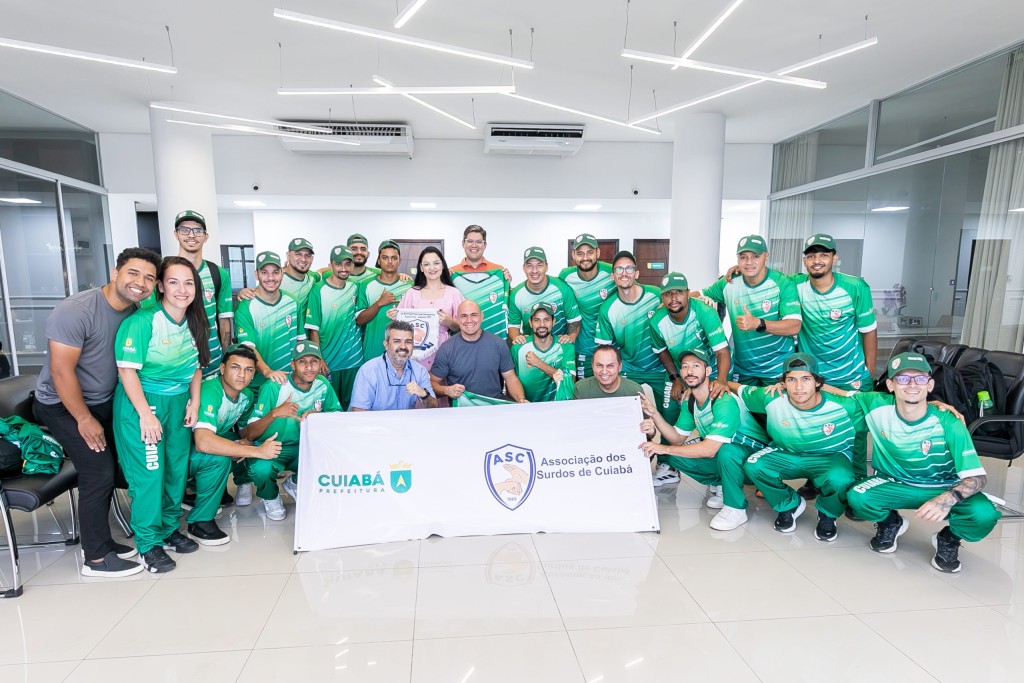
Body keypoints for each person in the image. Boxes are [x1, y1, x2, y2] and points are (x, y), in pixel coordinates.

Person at [34, 247, 160, 577]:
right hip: (62, 405)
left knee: (125, 463)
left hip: (104, 401)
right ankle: (97, 557)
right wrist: (84, 419)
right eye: (133, 273)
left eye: (149, 278)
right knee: (98, 471)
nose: (141, 282)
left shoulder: (135, 311)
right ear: (115, 273)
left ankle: (103, 539)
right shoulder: (76, 311)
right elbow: (61, 372)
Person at [846, 353, 1001, 573]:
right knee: (857, 497)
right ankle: (891, 523)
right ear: (890, 385)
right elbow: (827, 392)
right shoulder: (875, 404)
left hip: (943, 486)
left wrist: (948, 499)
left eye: (919, 379)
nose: (912, 385)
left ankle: (949, 538)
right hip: (895, 483)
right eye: (903, 379)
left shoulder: (950, 423)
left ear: (930, 385)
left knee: (984, 514)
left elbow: (977, 477)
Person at [113, 256, 210, 573]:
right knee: (150, 475)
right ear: (160, 286)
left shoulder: (194, 321)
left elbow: (196, 366)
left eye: (189, 282)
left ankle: (168, 529)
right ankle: (148, 543)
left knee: (175, 472)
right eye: (173, 282)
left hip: (178, 403)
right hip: (144, 404)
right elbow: (127, 371)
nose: (182, 289)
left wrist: (194, 402)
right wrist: (145, 414)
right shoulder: (143, 321)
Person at [732, 353, 865, 541]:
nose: (799, 387)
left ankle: (828, 514)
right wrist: (718, 382)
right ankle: (789, 504)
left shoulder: (845, 406)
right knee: (754, 465)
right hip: (785, 453)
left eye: (806, 379)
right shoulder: (771, 396)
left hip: (829, 457)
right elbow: (738, 388)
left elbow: (877, 415)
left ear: (817, 382)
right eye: (791, 380)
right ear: (783, 383)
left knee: (841, 479)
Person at [638, 349, 769, 530]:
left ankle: (736, 508)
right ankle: (723, 485)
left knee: (725, 450)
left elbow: (709, 449)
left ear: (708, 371)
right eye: (685, 367)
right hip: (724, 451)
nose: (690, 371)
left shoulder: (723, 399)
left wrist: (663, 448)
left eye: (696, 366)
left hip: (754, 459)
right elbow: (677, 438)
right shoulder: (690, 400)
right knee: (674, 455)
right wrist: (654, 414)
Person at [186, 345, 282, 545]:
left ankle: (201, 490)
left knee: (239, 442)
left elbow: (244, 432)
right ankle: (199, 521)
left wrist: (248, 441)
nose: (241, 375)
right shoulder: (210, 390)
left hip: (205, 443)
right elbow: (203, 442)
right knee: (221, 456)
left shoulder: (246, 395)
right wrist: (256, 451)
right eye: (235, 367)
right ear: (222, 368)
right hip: (182, 451)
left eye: (248, 370)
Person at [241, 341, 342, 521]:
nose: (309, 367)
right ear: (292, 365)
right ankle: (271, 497)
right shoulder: (275, 386)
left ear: (320, 364)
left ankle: (295, 482)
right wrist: (275, 413)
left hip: (305, 447)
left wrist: (319, 416)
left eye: (314, 361)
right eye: (302, 362)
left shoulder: (323, 384)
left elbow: (337, 417)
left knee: (335, 455)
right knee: (261, 469)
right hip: (274, 447)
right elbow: (250, 434)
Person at [699, 235, 802, 385]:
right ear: (737, 260)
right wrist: (694, 299)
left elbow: (794, 326)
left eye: (755, 256)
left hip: (777, 369)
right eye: (743, 257)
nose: (749, 262)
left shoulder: (783, 283)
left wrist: (758, 323)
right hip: (742, 369)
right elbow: (696, 294)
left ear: (766, 257)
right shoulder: (729, 281)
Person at [152, 210, 233, 377]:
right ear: (176, 234)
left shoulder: (218, 274)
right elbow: (151, 316)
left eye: (197, 230)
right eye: (184, 230)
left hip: (212, 364)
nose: (191, 235)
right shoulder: (161, 270)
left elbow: (224, 320)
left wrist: (226, 358)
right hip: (174, 364)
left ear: (206, 237)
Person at [793, 234, 877, 392]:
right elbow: (768, 278)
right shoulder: (794, 285)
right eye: (811, 256)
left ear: (835, 258)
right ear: (804, 261)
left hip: (852, 375)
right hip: (813, 376)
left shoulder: (856, 287)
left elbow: (869, 330)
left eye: (823, 255)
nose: (816, 261)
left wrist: (870, 369)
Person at [595, 250, 671, 418]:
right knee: (625, 416)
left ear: (636, 273)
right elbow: (605, 349)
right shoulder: (607, 309)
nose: (624, 273)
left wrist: (701, 297)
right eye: (619, 269)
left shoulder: (656, 295)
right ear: (612, 276)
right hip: (629, 368)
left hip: (661, 367)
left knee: (669, 417)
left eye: (629, 268)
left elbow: (680, 300)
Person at [650, 271, 731, 408]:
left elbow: (721, 352)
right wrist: (675, 378)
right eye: (668, 294)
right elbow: (662, 351)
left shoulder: (705, 312)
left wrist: (721, 380)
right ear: (662, 297)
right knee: (670, 411)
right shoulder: (656, 321)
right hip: (680, 369)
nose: (674, 298)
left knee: (716, 407)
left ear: (688, 293)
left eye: (679, 292)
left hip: (712, 368)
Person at [234, 251, 305, 391]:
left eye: (275, 272)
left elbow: (300, 342)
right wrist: (268, 372)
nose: (271, 278)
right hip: (257, 385)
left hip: (288, 383)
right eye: (264, 272)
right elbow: (248, 348)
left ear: (282, 273)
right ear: (256, 275)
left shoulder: (293, 302)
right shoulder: (246, 306)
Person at [430, 300, 527, 403]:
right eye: (464, 316)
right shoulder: (447, 349)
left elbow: (511, 378)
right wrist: (446, 390)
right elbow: (432, 383)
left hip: (494, 404)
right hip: (463, 408)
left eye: (474, 315)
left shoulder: (498, 344)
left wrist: (521, 400)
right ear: (457, 319)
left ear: (482, 317)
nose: (469, 320)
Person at [305, 245, 363, 408]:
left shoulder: (355, 287)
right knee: (330, 408)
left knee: (353, 406)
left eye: (347, 264)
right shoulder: (318, 289)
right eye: (339, 264)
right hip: (329, 361)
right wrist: (319, 358)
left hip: (354, 360)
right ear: (331, 265)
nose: (343, 269)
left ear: (352, 265)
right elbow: (313, 329)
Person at [396, 246, 463, 372]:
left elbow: (463, 327)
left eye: (436, 263)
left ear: (442, 265)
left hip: (445, 353)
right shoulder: (412, 293)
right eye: (427, 264)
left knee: (442, 384)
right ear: (421, 268)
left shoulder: (454, 293)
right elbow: (400, 325)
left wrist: (450, 322)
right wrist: (395, 316)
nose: (432, 268)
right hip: (416, 355)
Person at [558, 233, 614, 379]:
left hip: (611, 346)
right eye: (580, 253)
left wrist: (660, 302)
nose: (585, 258)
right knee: (583, 389)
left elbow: (633, 288)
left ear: (598, 252)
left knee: (609, 388)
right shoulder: (566, 276)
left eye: (590, 252)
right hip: (582, 346)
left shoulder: (611, 272)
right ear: (573, 255)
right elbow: (551, 288)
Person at [350, 321, 438, 411]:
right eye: (397, 341)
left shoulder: (420, 370)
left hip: (406, 420)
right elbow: (359, 411)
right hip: (375, 420)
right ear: (386, 345)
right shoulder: (368, 370)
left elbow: (433, 408)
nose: (403, 347)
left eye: (408, 342)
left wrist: (424, 394)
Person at [508, 246, 581, 344]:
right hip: (532, 347)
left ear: (546, 266)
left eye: (539, 265)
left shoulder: (562, 288)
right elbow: (513, 325)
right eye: (529, 265)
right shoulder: (516, 294)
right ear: (524, 268)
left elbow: (574, 320)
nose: (534, 270)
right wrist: (517, 338)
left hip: (560, 346)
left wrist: (570, 339)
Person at [355, 240, 412, 364]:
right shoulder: (366, 285)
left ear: (400, 261)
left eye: (394, 258)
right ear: (379, 260)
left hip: (402, 351)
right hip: (373, 350)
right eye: (385, 258)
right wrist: (379, 303)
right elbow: (359, 320)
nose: (390, 262)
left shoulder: (409, 285)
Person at [511, 302, 576, 402]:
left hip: (558, 407)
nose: (542, 324)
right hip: (527, 407)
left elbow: (570, 382)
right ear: (530, 323)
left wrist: (539, 363)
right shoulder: (518, 348)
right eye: (537, 320)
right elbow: (511, 382)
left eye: (546, 320)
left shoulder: (566, 346)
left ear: (553, 322)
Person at [573, 345, 647, 400]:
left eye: (610, 366)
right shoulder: (580, 389)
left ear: (620, 367)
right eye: (599, 365)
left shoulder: (634, 391)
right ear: (592, 366)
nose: (604, 371)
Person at [279, 237, 321, 310]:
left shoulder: (312, 277)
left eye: (307, 255)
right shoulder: (276, 279)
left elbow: (321, 272)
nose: (303, 259)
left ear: (312, 259)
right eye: (298, 254)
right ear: (288, 255)